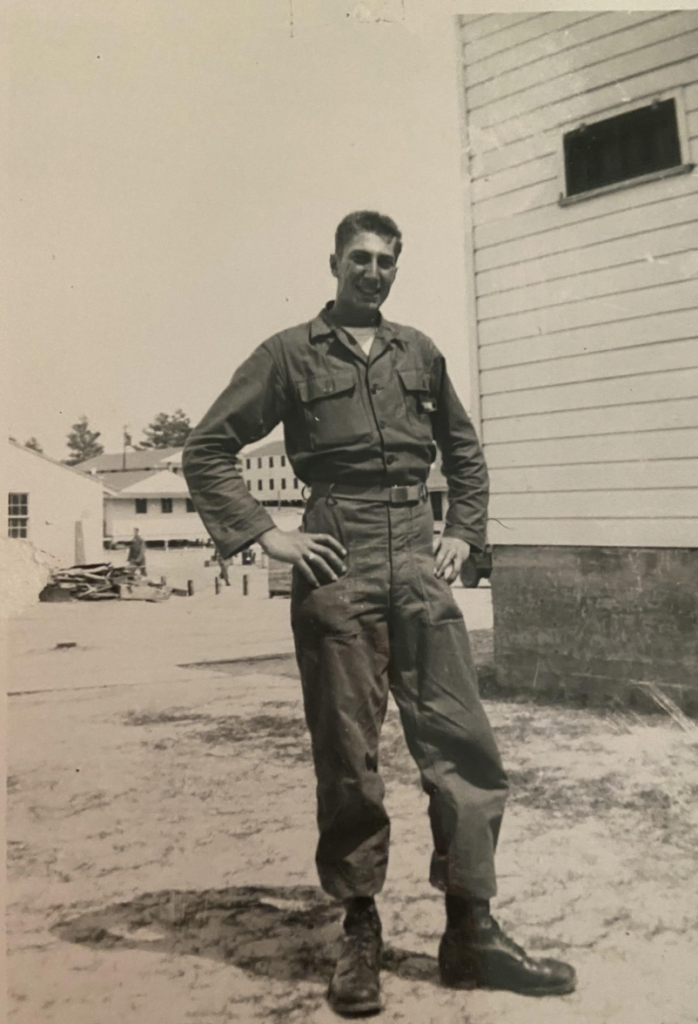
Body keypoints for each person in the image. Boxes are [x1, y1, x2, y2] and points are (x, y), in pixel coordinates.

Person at [182, 211, 576, 1015]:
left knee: (464, 748)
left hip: (418, 558)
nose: (372, 271)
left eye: (386, 261)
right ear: (333, 263)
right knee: (349, 757)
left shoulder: (419, 352)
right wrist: (267, 534)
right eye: (359, 258)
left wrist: (463, 530)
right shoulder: (288, 354)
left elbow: (463, 449)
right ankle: (360, 928)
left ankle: (473, 932)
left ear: (396, 269)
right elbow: (207, 447)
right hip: (337, 555)